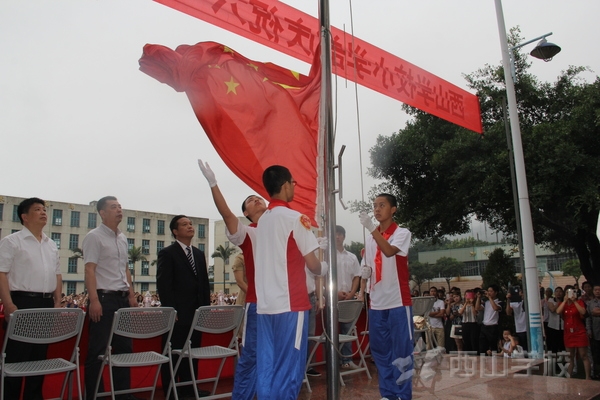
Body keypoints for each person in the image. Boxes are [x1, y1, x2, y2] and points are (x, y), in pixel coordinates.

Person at [198, 160, 268, 400]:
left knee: (278, 355)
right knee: (251, 356)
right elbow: (226, 214)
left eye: (259, 197)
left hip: (285, 304)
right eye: (250, 200)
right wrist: (214, 184)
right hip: (258, 303)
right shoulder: (248, 233)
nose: (256, 199)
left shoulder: (285, 228)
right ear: (246, 214)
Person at [253, 165, 325, 399]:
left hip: (266, 306)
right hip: (290, 303)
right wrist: (324, 268)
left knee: (267, 365)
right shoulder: (296, 219)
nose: (294, 186)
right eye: (293, 183)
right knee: (289, 368)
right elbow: (313, 265)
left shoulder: (262, 221)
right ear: (285, 186)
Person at [0, 197, 62, 400]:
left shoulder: (51, 244)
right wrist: (9, 304)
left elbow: (57, 275)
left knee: (39, 358)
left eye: (44, 209)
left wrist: (57, 302)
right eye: (38, 209)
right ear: (25, 217)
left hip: (45, 304)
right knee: (17, 358)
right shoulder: (12, 242)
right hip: (22, 303)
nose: (44, 212)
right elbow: (1, 273)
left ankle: (34, 396)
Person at [83, 196, 139, 400]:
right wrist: (94, 300)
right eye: (114, 207)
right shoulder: (94, 237)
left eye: (120, 206)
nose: (119, 210)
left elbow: (125, 268)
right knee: (98, 350)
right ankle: (96, 394)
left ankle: (123, 393)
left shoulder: (122, 238)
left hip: (122, 299)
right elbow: (89, 269)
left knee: (124, 349)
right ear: (102, 213)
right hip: (103, 298)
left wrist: (131, 295)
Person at [359, 193, 413, 400]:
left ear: (393, 209)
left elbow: (389, 251)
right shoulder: (371, 239)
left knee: (402, 351)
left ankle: (402, 394)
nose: (377, 209)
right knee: (380, 351)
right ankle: (388, 393)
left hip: (397, 301)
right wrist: (366, 274)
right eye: (375, 206)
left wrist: (372, 229)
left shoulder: (402, 232)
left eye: (382, 205)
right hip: (377, 302)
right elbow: (372, 263)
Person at [157, 215, 211, 399]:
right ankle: (171, 391)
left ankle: (190, 389)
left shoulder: (198, 253)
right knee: (173, 353)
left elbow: (204, 284)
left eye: (190, 224)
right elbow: (164, 284)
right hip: (178, 313)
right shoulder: (168, 253)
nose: (189, 226)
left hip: (197, 313)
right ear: (175, 231)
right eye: (184, 224)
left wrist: (205, 309)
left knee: (192, 352)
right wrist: (171, 309)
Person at [335, 225, 361, 368]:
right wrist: (334, 293)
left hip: (348, 298)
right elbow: (323, 277)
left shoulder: (352, 257)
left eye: (340, 234)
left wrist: (352, 292)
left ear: (344, 236)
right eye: (335, 234)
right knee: (331, 330)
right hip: (333, 298)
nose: (337, 237)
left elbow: (356, 276)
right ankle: (333, 360)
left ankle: (347, 360)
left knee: (348, 328)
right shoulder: (327, 255)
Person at [557, 285, 591, 379]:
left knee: (583, 355)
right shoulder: (562, 304)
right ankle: (569, 376)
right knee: (570, 356)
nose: (570, 294)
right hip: (568, 333)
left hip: (579, 331)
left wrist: (574, 301)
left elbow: (583, 312)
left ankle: (588, 377)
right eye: (568, 292)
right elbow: (558, 311)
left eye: (572, 292)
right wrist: (564, 300)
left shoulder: (579, 302)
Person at [477, 284, 502, 356]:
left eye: (491, 291)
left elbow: (495, 308)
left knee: (493, 346)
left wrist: (490, 298)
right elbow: (477, 308)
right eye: (488, 291)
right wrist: (479, 298)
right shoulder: (486, 303)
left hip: (493, 326)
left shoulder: (499, 302)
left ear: (496, 292)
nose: (489, 293)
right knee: (482, 346)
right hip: (484, 326)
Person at [506, 286, 528, 352]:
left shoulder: (529, 301)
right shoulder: (514, 303)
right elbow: (508, 312)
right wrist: (508, 300)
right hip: (520, 329)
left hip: (529, 328)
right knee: (522, 349)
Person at [586, 284, 600, 379]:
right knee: (595, 354)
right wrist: (589, 330)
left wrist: (597, 312)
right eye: (596, 290)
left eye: (599, 290)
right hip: (595, 332)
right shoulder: (590, 303)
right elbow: (588, 318)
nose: (597, 291)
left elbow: (594, 313)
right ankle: (596, 373)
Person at [547, 286, 565, 355]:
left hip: (563, 326)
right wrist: (559, 303)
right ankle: (555, 363)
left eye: (560, 292)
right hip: (553, 326)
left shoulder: (565, 301)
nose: (558, 293)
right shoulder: (551, 300)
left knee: (562, 346)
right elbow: (552, 309)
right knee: (554, 346)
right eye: (557, 291)